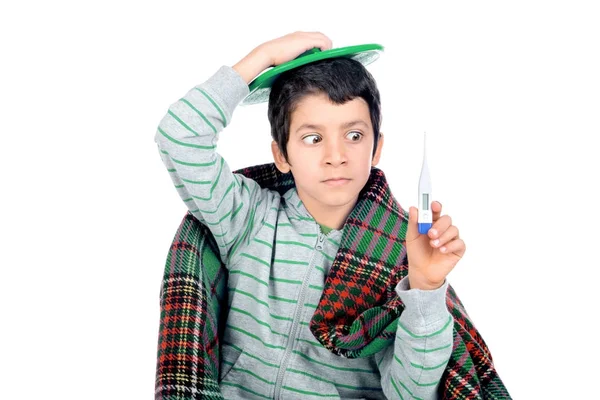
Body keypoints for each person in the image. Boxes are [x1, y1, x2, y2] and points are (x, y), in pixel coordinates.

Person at [155, 31, 466, 400]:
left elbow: (411, 394)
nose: (336, 155)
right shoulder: (247, 217)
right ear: (282, 154)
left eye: (353, 135)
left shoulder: (400, 256)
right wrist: (263, 56)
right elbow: (179, 137)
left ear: (376, 148)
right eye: (313, 139)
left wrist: (425, 290)